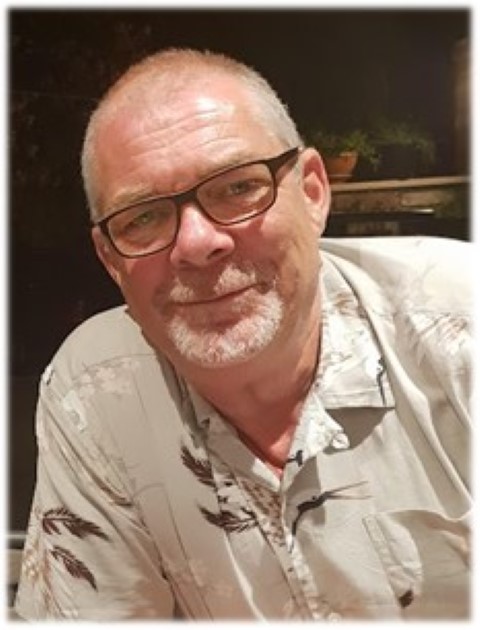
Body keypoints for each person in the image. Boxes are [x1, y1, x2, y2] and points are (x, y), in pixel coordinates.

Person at [15, 48, 471, 621]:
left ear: (312, 192)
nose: (196, 244)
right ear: (110, 258)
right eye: (143, 217)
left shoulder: (460, 328)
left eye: (236, 187)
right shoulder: (98, 393)